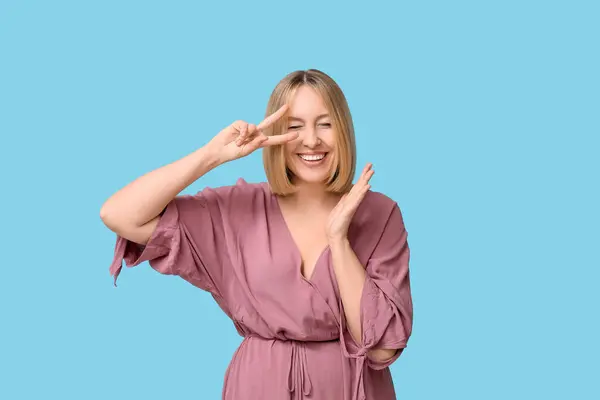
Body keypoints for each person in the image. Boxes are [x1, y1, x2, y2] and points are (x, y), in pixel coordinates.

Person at [101, 69, 413, 400]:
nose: (311, 140)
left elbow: (380, 349)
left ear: (344, 130)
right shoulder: (236, 209)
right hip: (261, 386)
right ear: (277, 133)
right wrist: (211, 156)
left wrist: (339, 241)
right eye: (295, 126)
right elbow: (118, 214)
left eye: (325, 124)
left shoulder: (380, 213)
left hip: (352, 388)